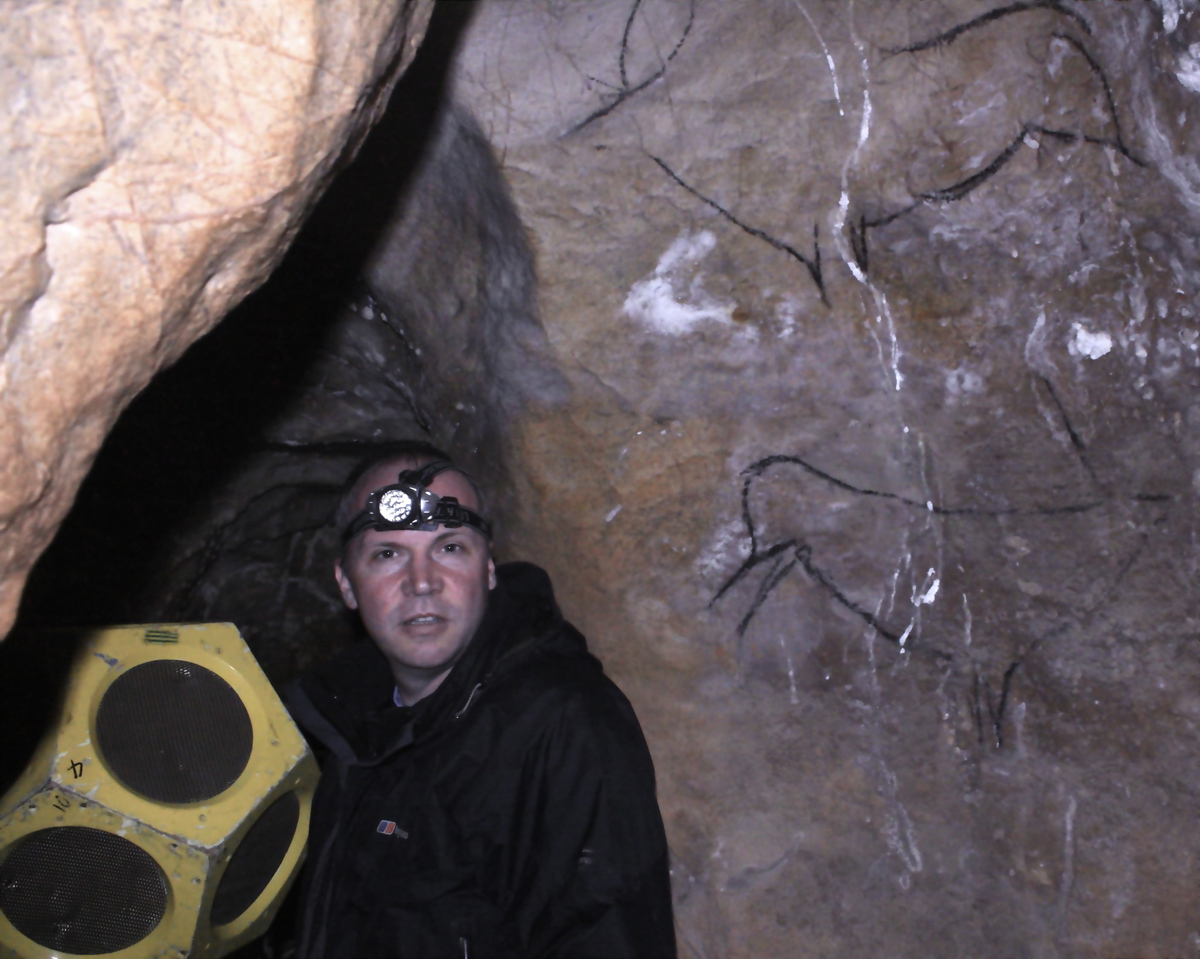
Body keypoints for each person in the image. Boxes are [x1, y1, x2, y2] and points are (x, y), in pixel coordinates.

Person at [289, 442, 676, 958]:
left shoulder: (562, 726)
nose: (422, 583)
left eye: (449, 548)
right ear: (346, 585)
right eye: (388, 554)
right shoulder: (350, 740)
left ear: (489, 570)